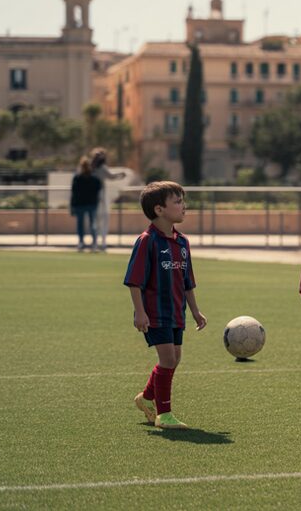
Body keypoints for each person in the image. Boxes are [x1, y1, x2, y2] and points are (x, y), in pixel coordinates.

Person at [125, 181, 207, 430]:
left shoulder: (182, 242)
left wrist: (195, 311)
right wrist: (140, 312)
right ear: (159, 209)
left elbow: (187, 282)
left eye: (183, 201)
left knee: (175, 358)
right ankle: (164, 414)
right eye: (178, 202)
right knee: (168, 358)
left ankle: (146, 397)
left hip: (176, 312)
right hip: (155, 313)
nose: (184, 206)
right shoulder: (147, 241)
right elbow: (134, 280)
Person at [90, 147, 126, 252]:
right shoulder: (101, 167)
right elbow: (111, 176)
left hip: (93, 196)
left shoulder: (91, 168)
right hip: (100, 194)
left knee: (96, 219)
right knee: (104, 218)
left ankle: (96, 243)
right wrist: (121, 174)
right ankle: (102, 242)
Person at [70, 156, 102, 251]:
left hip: (83, 204)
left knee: (83, 224)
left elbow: (74, 192)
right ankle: (93, 244)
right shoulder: (92, 178)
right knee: (91, 224)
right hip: (89, 204)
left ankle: (83, 243)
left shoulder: (78, 178)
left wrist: (72, 205)